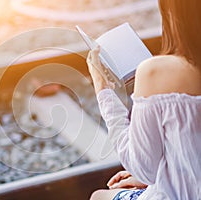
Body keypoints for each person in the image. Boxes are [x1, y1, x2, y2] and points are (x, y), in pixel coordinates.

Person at [86, 0, 201, 199]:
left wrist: (103, 91)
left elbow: (142, 168)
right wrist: (165, 171)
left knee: (98, 196)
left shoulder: (156, 72)